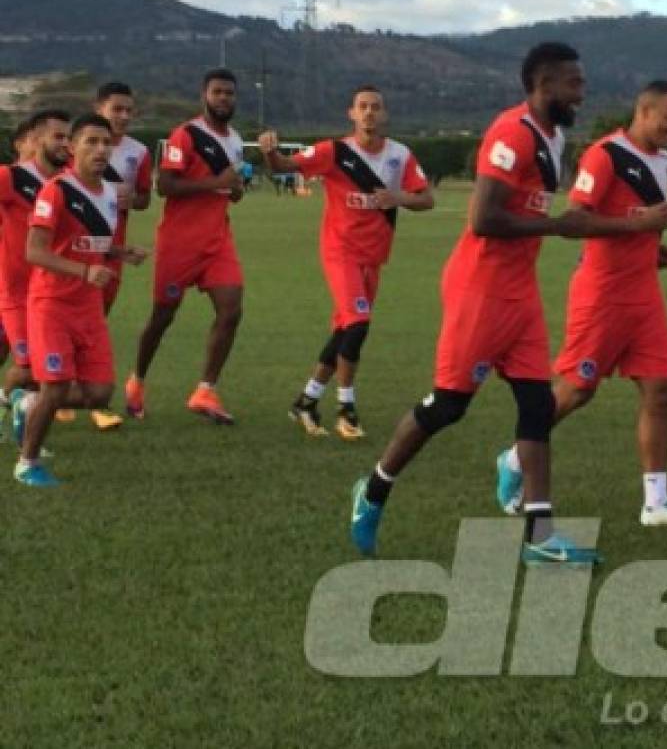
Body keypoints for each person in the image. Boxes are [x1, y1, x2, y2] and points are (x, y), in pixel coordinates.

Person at [349, 42, 597, 566]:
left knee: (537, 406)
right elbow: (483, 218)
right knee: (449, 406)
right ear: (543, 85)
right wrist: (555, 226)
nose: (581, 92)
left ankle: (540, 535)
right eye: (573, 83)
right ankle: (373, 489)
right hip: (480, 289)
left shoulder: (556, 138)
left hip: (520, 291)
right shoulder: (513, 133)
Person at [495, 81, 667, 529]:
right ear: (643, 111)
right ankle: (515, 459)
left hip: (644, 292)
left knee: (660, 391)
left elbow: (634, 222)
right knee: (577, 390)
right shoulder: (605, 155)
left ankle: (656, 502)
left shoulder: (663, 161)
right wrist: (639, 226)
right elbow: (575, 222)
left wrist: (652, 246)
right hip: (601, 293)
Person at [259, 85, 434, 440]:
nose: (369, 112)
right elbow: (283, 166)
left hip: (373, 258)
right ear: (351, 113)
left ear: (384, 114)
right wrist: (270, 152)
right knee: (358, 324)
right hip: (340, 252)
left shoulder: (400, 155)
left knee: (344, 329)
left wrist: (396, 197)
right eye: (362, 107)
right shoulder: (333, 151)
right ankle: (346, 408)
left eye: (376, 107)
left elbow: (426, 198)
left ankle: (306, 400)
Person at [13, 114, 147, 487]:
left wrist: (120, 253)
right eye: (92, 142)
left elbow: (91, 245)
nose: (102, 149)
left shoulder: (108, 193)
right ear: (72, 149)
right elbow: (35, 251)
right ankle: (28, 462)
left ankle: (26, 404)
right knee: (55, 386)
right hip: (51, 304)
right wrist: (84, 272)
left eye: (106, 143)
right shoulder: (55, 191)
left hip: (87, 308)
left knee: (99, 393)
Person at [125, 68, 245, 424]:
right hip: (180, 243)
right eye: (218, 92)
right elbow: (165, 186)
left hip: (217, 240)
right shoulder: (186, 135)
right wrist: (215, 182)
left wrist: (232, 189)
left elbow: (227, 187)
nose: (224, 98)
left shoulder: (236, 140)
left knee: (231, 309)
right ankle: (137, 382)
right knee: (163, 317)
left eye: (229, 93)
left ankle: (205, 390)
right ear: (204, 95)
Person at [87, 81, 153, 430]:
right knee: (70, 322)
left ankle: (84, 396)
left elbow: (144, 198)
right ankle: (69, 393)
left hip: (112, 251)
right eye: (117, 109)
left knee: (98, 320)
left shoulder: (138, 152)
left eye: (129, 110)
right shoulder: (76, 146)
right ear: (99, 108)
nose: (124, 116)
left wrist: (131, 200)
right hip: (76, 250)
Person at [0, 110, 72, 420]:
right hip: (14, 290)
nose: (66, 144)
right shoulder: (10, 177)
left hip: (50, 292)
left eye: (69, 137)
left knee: (39, 367)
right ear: (35, 139)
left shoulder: (66, 185)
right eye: (58, 137)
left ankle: (14, 409)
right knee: (29, 365)